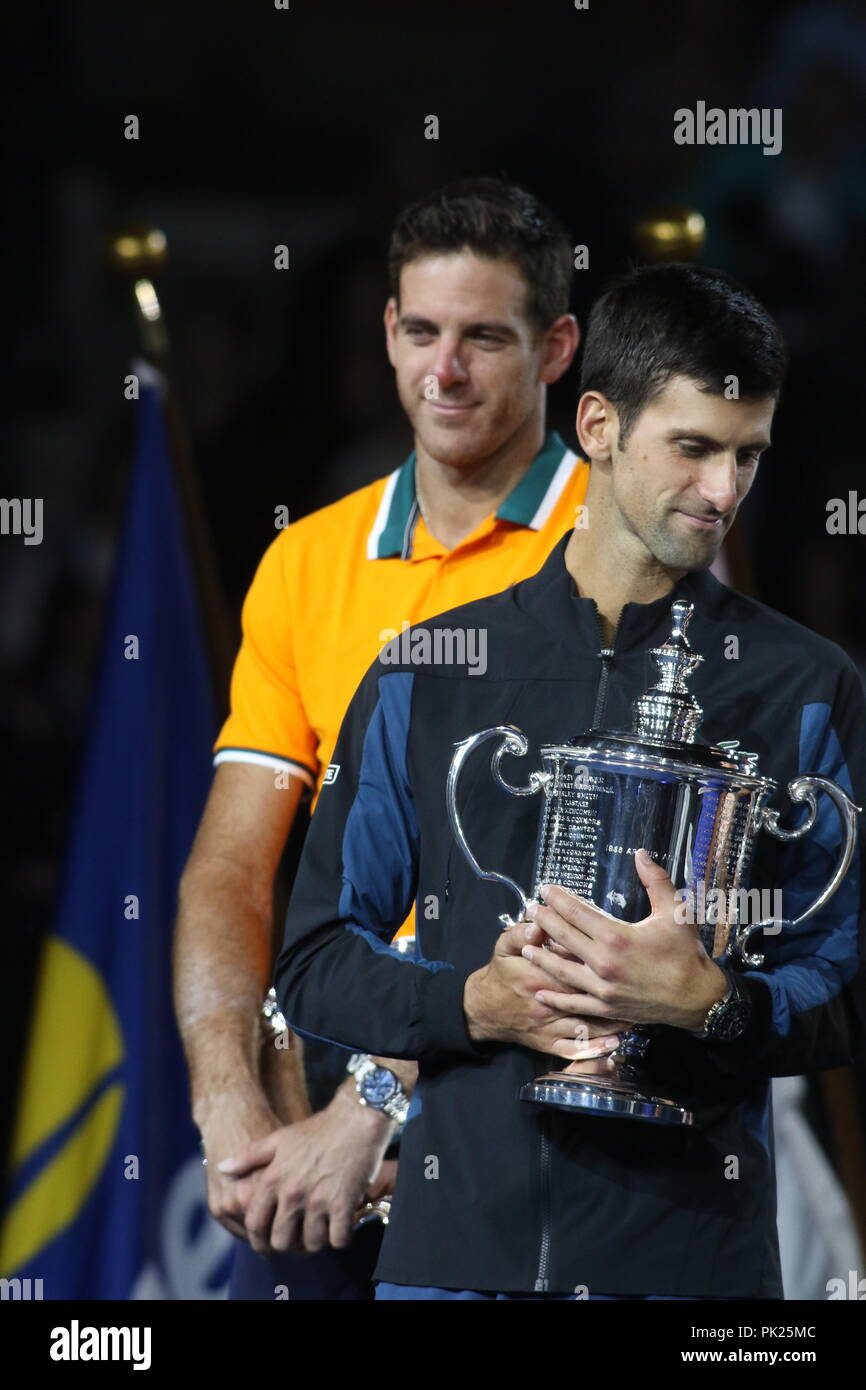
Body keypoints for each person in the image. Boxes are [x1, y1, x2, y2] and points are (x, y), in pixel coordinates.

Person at [274, 261, 866, 1299]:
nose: (721, 492)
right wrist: (473, 1001)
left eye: (747, 456)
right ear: (596, 425)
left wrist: (714, 1004)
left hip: (696, 1272)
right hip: (451, 1264)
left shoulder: (806, 685)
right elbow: (319, 956)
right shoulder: (427, 670)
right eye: (691, 447)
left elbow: (844, 984)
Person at [173, 176, 601, 1299]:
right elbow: (230, 868)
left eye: (482, 338)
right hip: (312, 1136)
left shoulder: (619, 550)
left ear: (557, 347)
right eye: (419, 331)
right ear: (385, 331)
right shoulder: (306, 561)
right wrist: (230, 1105)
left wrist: (376, 1103)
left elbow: (570, 897)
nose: (442, 372)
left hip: (527, 1121)